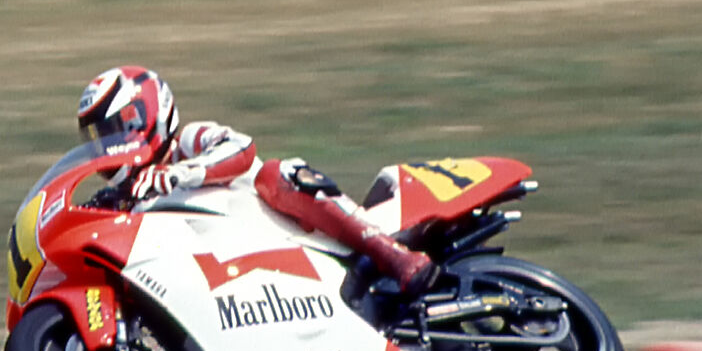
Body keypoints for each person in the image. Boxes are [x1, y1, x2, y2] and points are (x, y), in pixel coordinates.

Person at [74, 65, 435, 298]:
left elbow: (243, 149)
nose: (102, 146)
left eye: (108, 131)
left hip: (293, 233)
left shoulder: (187, 143)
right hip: (237, 280)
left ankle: (392, 255)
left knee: (277, 174)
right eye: (95, 137)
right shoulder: (127, 196)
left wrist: (177, 174)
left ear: (141, 118)